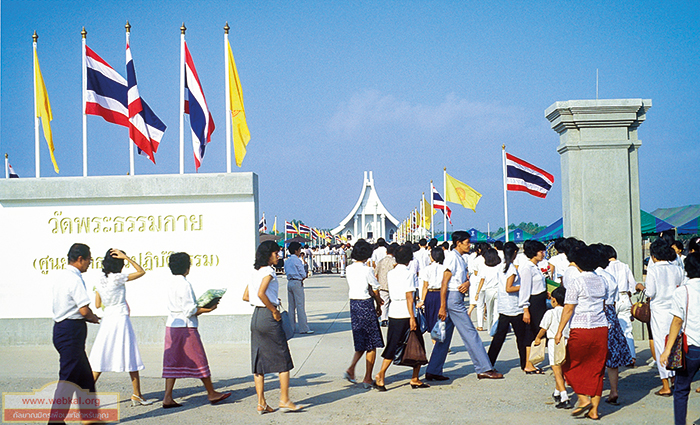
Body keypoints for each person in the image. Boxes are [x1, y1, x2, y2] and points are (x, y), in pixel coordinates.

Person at [425, 231, 503, 381]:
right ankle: (484, 368)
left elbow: (460, 279)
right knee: (470, 333)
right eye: (467, 243)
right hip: (453, 299)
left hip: (454, 297)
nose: (469, 245)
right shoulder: (452, 258)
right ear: (458, 243)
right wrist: (442, 306)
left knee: (444, 337)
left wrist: (467, 283)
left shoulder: (459, 258)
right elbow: (444, 283)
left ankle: (433, 370)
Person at [162, 252, 230, 408]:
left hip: (172, 325)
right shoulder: (185, 284)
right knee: (199, 359)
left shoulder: (171, 282)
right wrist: (207, 309)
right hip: (186, 327)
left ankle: (167, 396)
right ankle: (211, 392)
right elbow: (189, 310)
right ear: (187, 267)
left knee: (172, 361)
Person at [88, 248, 152, 406]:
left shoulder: (100, 279)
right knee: (130, 354)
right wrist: (127, 257)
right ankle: (137, 394)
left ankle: (86, 395)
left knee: (100, 357)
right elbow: (141, 271)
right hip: (120, 318)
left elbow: (97, 304)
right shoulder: (118, 278)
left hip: (107, 319)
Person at [555, 245, 608, 420]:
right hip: (600, 327)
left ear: (578, 263)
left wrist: (559, 330)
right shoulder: (602, 281)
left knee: (569, 365)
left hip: (581, 327)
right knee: (597, 369)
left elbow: (569, 308)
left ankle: (584, 399)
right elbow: (603, 305)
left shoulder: (577, 282)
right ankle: (594, 410)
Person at [250, 241, 300, 414]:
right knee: (282, 358)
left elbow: (246, 295)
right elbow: (261, 293)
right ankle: (284, 399)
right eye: (276, 253)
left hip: (256, 316)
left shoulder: (255, 272)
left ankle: (261, 402)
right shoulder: (269, 271)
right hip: (268, 316)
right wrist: (274, 309)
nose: (278, 256)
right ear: (268, 254)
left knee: (258, 360)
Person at [374, 245, 429, 391]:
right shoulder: (409, 274)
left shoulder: (391, 273)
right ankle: (414, 378)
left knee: (393, 344)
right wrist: (412, 317)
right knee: (417, 344)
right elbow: (409, 297)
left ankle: (382, 374)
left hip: (394, 311)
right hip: (406, 312)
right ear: (409, 258)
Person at [636, 239, 684, 396]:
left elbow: (650, 292)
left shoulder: (654, 270)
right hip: (676, 311)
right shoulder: (677, 269)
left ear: (654, 255)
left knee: (660, 346)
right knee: (675, 345)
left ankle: (665, 385)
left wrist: (640, 287)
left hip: (659, 312)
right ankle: (675, 380)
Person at [51, 243, 101, 392]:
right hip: (71, 332)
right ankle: (56, 416)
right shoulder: (75, 279)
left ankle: (90, 415)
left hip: (62, 328)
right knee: (68, 380)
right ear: (80, 259)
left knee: (85, 380)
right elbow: (84, 310)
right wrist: (94, 318)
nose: (89, 264)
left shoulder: (62, 276)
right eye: (89, 261)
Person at [660, 252, 700, 425]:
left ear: (687, 269)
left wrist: (667, 350)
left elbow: (677, 321)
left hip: (691, 347)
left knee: (682, 390)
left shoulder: (682, 291)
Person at [590, 244, 633, 406]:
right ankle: (614, 391)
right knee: (612, 357)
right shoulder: (610, 277)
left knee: (596, 355)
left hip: (596, 315)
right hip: (611, 314)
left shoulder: (594, 276)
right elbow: (613, 302)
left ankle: (596, 390)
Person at [343, 239, 385, 388]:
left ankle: (351, 368)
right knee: (371, 343)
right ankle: (367, 377)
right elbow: (374, 287)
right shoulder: (367, 270)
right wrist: (379, 301)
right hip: (366, 303)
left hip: (354, 304)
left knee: (361, 340)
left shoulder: (349, 268)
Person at [488, 242, 528, 371]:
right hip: (514, 307)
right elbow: (509, 288)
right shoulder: (511, 268)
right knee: (521, 338)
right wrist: (525, 286)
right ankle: (524, 363)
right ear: (515, 253)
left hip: (504, 306)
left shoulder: (502, 266)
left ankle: (488, 362)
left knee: (499, 338)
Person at [534, 287, 570, 409]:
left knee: (556, 369)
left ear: (553, 300)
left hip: (554, 342)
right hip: (567, 340)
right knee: (563, 368)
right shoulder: (568, 311)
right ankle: (557, 391)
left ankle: (564, 396)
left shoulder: (550, 313)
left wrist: (538, 338)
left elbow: (543, 328)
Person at [519, 239, 549, 374]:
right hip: (533, 303)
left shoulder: (536, 267)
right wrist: (525, 309)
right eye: (540, 251)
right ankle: (528, 363)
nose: (543, 254)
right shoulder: (527, 268)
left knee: (536, 332)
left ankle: (531, 362)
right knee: (533, 332)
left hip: (541, 300)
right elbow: (525, 289)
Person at [604, 244, 637, 365]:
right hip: (624, 297)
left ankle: (613, 357)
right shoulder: (625, 266)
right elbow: (632, 285)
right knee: (627, 329)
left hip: (610, 300)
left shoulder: (605, 268)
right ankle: (631, 357)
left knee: (610, 331)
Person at [284, 242, 313, 334]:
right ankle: (303, 328)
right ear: (296, 251)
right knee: (300, 306)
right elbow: (303, 273)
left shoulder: (287, 261)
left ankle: (291, 328)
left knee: (291, 306)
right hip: (297, 282)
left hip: (289, 282)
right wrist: (304, 276)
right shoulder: (297, 260)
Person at [419, 247, 446, 339]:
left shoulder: (427, 269)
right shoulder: (445, 268)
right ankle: (442, 338)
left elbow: (425, 286)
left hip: (430, 294)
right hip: (441, 294)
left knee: (431, 318)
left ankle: (435, 341)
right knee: (441, 318)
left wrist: (422, 300)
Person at [474, 248, 501, 333]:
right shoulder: (500, 266)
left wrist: (477, 292)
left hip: (489, 291)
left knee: (489, 312)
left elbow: (482, 280)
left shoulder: (485, 267)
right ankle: (495, 329)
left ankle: (490, 330)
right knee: (497, 312)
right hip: (498, 290)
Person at [375, 243, 398, 327]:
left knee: (384, 303)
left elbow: (376, 273)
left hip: (382, 284)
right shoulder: (395, 262)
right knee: (393, 303)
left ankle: (384, 319)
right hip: (393, 285)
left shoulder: (380, 262)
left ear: (386, 252)